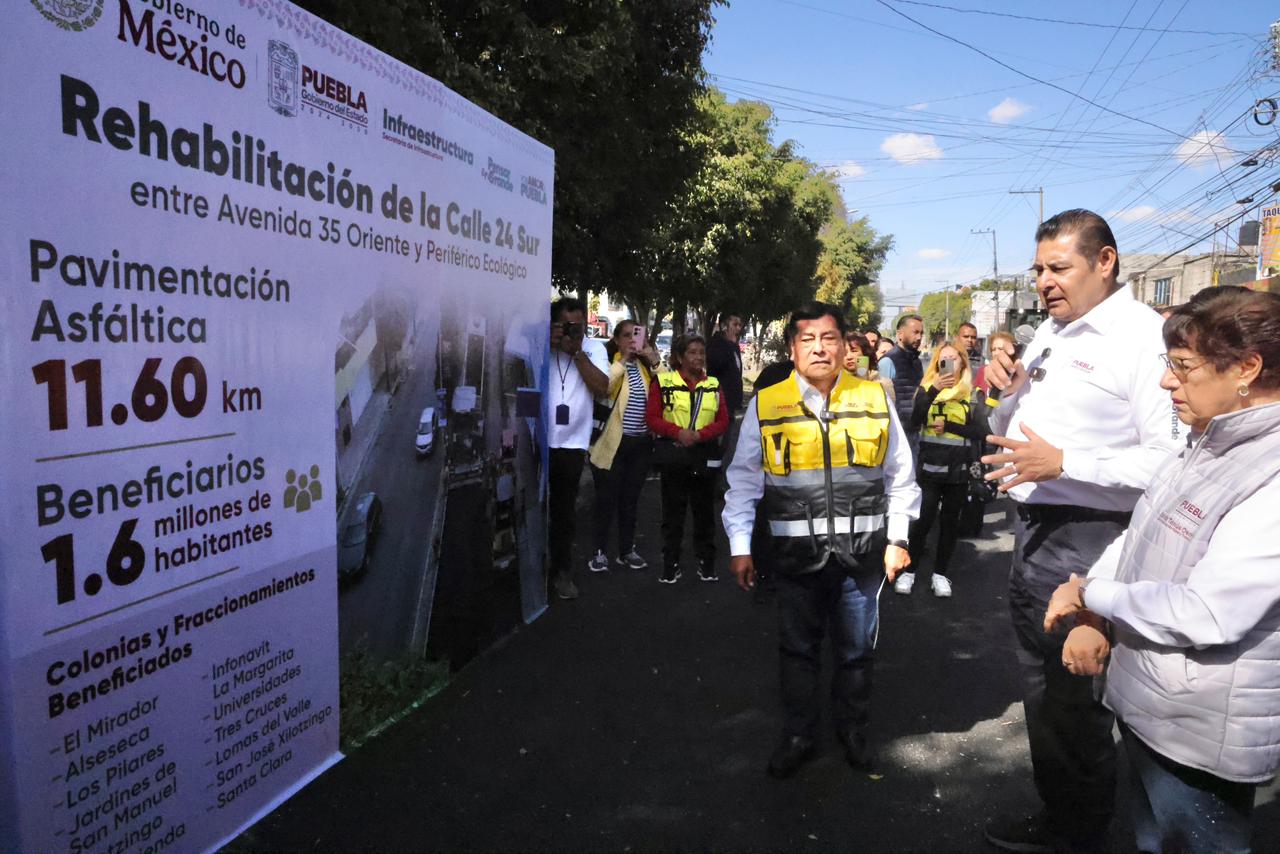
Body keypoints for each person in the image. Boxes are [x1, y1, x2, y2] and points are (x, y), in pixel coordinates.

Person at [1042, 287, 1280, 854]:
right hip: (1159, 705)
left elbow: (1208, 613)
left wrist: (1093, 595)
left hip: (1200, 728)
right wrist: (1090, 601)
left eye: (1183, 366)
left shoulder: (1269, 470)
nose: (1166, 382)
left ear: (1246, 369)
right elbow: (1142, 533)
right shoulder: (1209, 439)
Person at [979, 210, 1183, 854]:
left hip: (1095, 539)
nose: (1043, 281)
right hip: (1035, 531)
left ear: (1105, 262)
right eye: (1038, 269)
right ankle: (1063, 818)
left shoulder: (1144, 339)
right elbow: (1011, 425)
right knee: (1047, 697)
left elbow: (1172, 462)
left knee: (1078, 698)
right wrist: (1006, 392)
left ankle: (1082, 832)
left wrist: (1067, 463)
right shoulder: (1050, 333)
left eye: (1058, 268)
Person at [722, 301, 920, 779]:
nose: (818, 348)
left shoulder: (873, 398)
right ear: (792, 349)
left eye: (828, 338)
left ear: (843, 344)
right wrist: (740, 546)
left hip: (862, 557)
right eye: (807, 340)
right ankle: (799, 735)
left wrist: (898, 538)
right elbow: (744, 480)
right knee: (797, 653)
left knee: (856, 652)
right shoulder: (767, 403)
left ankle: (853, 730)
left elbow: (900, 476)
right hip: (796, 559)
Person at [894, 343, 989, 598]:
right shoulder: (926, 389)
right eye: (943, 359)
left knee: (949, 523)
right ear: (936, 363)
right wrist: (934, 389)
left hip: (958, 471)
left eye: (953, 359)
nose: (948, 363)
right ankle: (910, 571)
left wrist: (949, 426)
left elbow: (981, 432)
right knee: (922, 521)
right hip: (929, 469)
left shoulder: (972, 394)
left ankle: (940, 574)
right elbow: (915, 421)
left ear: (963, 363)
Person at [646, 334, 730, 583]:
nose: (698, 357)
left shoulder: (713, 384)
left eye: (701, 353)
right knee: (673, 512)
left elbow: (723, 420)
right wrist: (678, 433)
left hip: (704, 453)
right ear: (680, 357)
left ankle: (706, 561)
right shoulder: (663, 382)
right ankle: (670, 563)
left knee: (704, 511)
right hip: (675, 453)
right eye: (692, 352)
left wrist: (701, 434)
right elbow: (653, 417)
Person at [547, 298, 610, 600]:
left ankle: (562, 571)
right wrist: (545, 342)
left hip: (572, 444)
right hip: (539, 440)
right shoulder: (541, 344)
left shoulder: (593, 348)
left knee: (564, 512)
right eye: (568, 325)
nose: (575, 331)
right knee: (533, 507)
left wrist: (576, 353)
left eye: (579, 326)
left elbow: (602, 388)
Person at [588, 320, 657, 572]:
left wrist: (654, 360)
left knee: (630, 500)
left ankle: (626, 550)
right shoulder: (609, 362)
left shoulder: (645, 367)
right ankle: (599, 552)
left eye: (636, 335)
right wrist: (624, 360)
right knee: (606, 499)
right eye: (626, 335)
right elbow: (603, 387)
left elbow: (667, 390)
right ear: (616, 340)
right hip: (613, 443)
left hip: (640, 444)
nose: (631, 340)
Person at [877, 314, 925, 455]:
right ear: (900, 334)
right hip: (895, 433)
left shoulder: (917, 362)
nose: (919, 337)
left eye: (921, 333)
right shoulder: (888, 362)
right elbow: (882, 401)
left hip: (914, 430)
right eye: (915, 332)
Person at [707, 312, 745, 414]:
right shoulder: (716, 344)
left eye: (740, 325)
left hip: (733, 403)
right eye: (735, 324)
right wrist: (728, 345)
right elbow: (718, 365)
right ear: (724, 326)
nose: (738, 328)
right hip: (719, 402)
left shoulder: (734, 346)